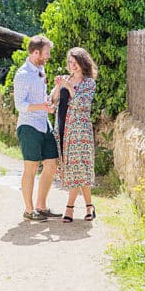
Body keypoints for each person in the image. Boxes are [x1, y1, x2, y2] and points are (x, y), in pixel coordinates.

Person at [13, 35, 61, 222]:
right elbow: (20, 105)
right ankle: (28, 210)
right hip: (28, 125)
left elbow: (43, 99)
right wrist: (43, 106)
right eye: (46, 53)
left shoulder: (41, 70)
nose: (48, 56)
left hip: (43, 123)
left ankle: (41, 207)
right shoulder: (23, 75)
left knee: (52, 163)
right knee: (31, 168)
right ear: (36, 53)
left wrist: (56, 89)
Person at [52, 47, 99, 223]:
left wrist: (69, 86)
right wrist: (58, 86)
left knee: (78, 167)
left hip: (80, 131)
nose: (72, 66)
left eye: (75, 63)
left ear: (82, 63)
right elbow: (53, 100)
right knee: (75, 168)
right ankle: (89, 206)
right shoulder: (66, 79)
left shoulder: (88, 83)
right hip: (63, 128)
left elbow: (82, 104)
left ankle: (69, 208)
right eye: (70, 63)